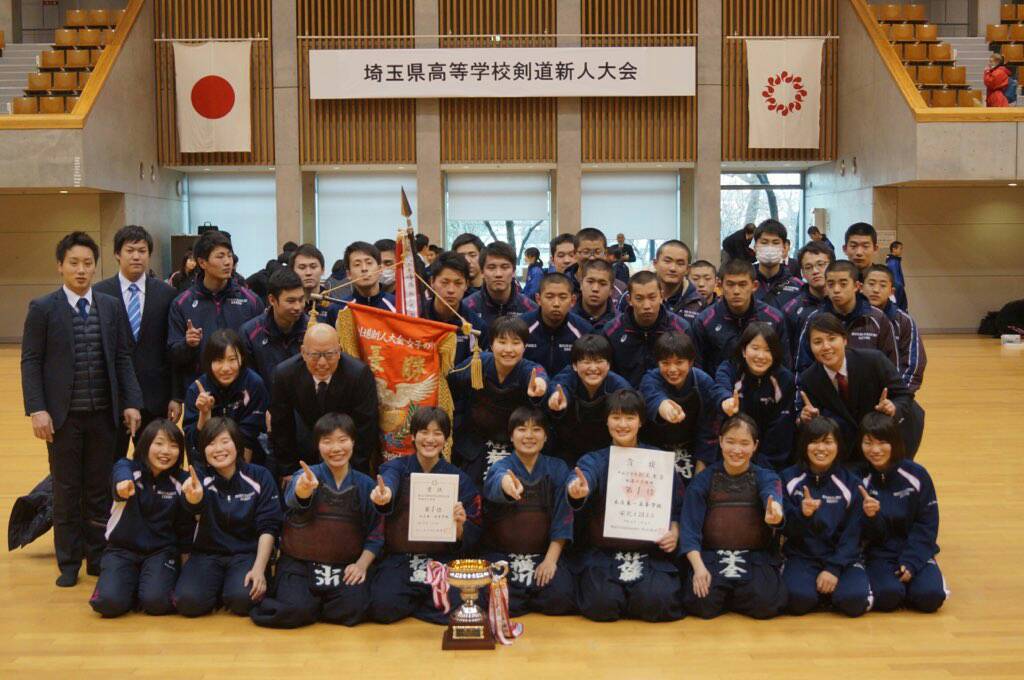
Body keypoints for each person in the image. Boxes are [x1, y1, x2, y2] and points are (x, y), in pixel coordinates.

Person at [21, 231, 143, 587]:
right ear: (60, 266)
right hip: (62, 418)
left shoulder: (110, 306)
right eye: (73, 263)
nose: (81, 270)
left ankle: (98, 555)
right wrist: (37, 409)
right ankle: (69, 561)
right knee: (66, 490)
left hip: (104, 415)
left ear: (95, 267)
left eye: (87, 263)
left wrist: (131, 402)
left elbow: (122, 357)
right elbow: (31, 361)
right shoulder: (43, 308)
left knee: (98, 490)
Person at [250, 413, 384, 628]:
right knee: (295, 610)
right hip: (301, 564)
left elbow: (376, 534)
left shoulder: (365, 484)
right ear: (318, 446)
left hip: (343, 565)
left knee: (354, 608)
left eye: (342, 440)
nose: (336, 448)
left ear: (353, 442)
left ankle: (313, 606)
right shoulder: (305, 476)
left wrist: (361, 565)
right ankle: (308, 604)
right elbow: (292, 498)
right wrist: (303, 491)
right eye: (327, 441)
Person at [568, 389, 684, 622]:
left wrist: (674, 530)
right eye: (616, 417)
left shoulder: (658, 460)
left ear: (640, 421)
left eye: (629, 418)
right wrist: (577, 490)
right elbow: (583, 477)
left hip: (649, 554)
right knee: (602, 604)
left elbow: (678, 507)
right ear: (607, 421)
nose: (622, 424)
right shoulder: (594, 460)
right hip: (604, 554)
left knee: (656, 601)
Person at [367, 407, 482, 624]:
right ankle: (421, 601)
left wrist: (460, 528)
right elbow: (389, 481)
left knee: (457, 607)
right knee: (382, 607)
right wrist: (386, 493)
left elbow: (474, 528)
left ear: (446, 439)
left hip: (440, 560)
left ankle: (415, 603)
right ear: (413, 436)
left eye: (437, 433)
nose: (430, 439)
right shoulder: (396, 468)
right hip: (401, 559)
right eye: (424, 432)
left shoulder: (459, 479)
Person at [679, 414, 788, 619]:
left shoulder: (766, 476)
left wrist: (775, 512)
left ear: (755, 446)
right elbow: (689, 529)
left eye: (744, 443)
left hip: (754, 556)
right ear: (720, 441)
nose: (737, 450)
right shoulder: (703, 480)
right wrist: (698, 568)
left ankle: (736, 594)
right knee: (702, 603)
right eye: (730, 441)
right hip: (713, 556)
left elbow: (772, 496)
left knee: (766, 604)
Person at [173, 417, 281, 617]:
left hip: (246, 554)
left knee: (244, 600)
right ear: (204, 451)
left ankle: (228, 588)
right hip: (206, 554)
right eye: (211, 444)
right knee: (188, 602)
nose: (219, 449)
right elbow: (187, 518)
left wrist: (259, 569)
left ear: (237, 444)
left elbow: (268, 527)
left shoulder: (260, 476)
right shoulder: (198, 479)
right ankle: (217, 589)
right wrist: (193, 500)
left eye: (225, 441)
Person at [89, 420, 194, 617]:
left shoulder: (183, 481)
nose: (166, 451)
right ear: (146, 444)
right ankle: (129, 586)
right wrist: (122, 485)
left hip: (161, 551)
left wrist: (186, 567)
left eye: (173, 446)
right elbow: (121, 473)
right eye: (159, 443)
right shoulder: (127, 469)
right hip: (122, 550)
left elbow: (185, 527)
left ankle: (143, 587)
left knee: (157, 603)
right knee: (108, 603)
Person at [481, 406, 576, 616]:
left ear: (546, 436)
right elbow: (497, 481)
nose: (529, 436)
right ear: (511, 436)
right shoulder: (500, 467)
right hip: (503, 556)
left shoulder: (558, 468)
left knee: (561, 597)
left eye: (537, 429)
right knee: (497, 601)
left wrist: (550, 560)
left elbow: (564, 517)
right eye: (522, 429)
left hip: (542, 555)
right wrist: (507, 485)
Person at [94, 225, 180, 454]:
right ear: (117, 254)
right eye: (130, 250)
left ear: (149, 254)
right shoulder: (99, 294)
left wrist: (176, 396)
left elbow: (172, 350)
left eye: (142, 251)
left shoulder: (167, 294)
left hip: (156, 397)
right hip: (112, 398)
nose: (136, 256)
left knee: (156, 462)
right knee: (111, 464)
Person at [797, 313, 924, 460]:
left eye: (832, 339)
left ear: (845, 340)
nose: (826, 347)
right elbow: (814, 423)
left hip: (881, 439)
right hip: (845, 447)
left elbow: (904, 395)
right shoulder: (809, 379)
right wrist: (805, 418)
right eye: (817, 342)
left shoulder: (874, 360)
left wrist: (893, 407)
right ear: (810, 346)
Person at [779, 416, 871, 617]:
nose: (821, 448)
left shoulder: (851, 483)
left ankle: (837, 590)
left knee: (854, 601)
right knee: (797, 600)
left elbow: (853, 533)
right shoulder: (788, 478)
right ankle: (820, 594)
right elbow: (784, 528)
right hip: (802, 556)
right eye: (814, 441)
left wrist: (834, 569)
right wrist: (802, 514)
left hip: (841, 558)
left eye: (828, 442)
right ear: (804, 445)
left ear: (838, 446)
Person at [859, 412, 946, 613]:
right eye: (868, 443)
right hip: (878, 554)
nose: (875, 450)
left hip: (914, 549)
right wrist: (871, 517)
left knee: (930, 597)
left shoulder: (917, 475)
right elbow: (864, 534)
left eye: (882, 443)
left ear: (895, 442)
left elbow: (927, 524)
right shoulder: (859, 479)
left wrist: (912, 561)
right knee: (888, 597)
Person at [269, 323, 380, 478]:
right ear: (303, 352)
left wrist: (352, 473)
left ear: (339, 351)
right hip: (305, 450)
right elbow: (281, 426)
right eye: (314, 355)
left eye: (329, 355)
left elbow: (365, 428)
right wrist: (288, 470)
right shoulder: (285, 374)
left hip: (348, 453)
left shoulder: (358, 374)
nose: (322, 363)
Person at [448, 315, 548, 486]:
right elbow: (449, 384)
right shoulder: (477, 364)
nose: (508, 349)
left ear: (524, 346)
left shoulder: (528, 369)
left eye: (515, 343)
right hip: (475, 443)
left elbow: (540, 376)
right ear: (491, 344)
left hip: (515, 446)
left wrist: (540, 385)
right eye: (502, 342)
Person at [167, 230, 265, 396]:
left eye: (229, 256)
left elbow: (261, 352)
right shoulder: (182, 303)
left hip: (243, 393)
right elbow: (173, 356)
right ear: (202, 262)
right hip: (200, 392)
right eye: (220, 256)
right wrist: (188, 344)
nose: (227, 262)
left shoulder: (251, 301)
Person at [639, 332, 724, 482]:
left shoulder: (704, 382)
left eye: (679, 362)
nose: (672, 369)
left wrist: (700, 471)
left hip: (691, 449)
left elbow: (709, 429)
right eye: (665, 363)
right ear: (658, 363)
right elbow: (654, 398)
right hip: (654, 449)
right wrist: (666, 409)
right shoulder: (649, 379)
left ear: (690, 362)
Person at [715, 323, 796, 472]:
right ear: (744, 350)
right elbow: (720, 387)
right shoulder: (730, 369)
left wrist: (764, 468)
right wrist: (726, 400)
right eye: (755, 348)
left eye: (768, 350)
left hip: (770, 461)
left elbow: (780, 430)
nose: (761, 356)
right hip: (731, 454)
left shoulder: (784, 379)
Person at [183, 329, 269, 466]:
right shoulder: (196, 390)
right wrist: (204, 414)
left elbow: (251, 435)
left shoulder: (254, 384)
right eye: (218, 361)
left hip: (248, 461)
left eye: (232, 359)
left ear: (242, 358)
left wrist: (239, 473)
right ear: (209, 362)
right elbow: (193, 442)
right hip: (207, 461)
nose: (226, 368)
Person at [795, 260, 898, 374]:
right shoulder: (814, 319)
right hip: (825, 384)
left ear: (856, 286)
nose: (836, 290)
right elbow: (803, 367)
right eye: (831, 284)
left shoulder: (877, 318)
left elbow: (891, 366)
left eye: (843, 284)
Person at [692, 258, 790, 377]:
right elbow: (698, 370)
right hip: (719, 386)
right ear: (720, 285)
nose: (736, 291)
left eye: (742, 284)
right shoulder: (705, 321)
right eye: (730, 284)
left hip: (763, 386)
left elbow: (783, 366)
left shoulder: (774, 318)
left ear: (754, 286)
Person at [546, 334, 631, 466]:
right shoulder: (568, 377)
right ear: (575, 365)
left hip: (606, 450)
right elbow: (560, 387)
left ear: (608, 365)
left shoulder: (619, 387)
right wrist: (556, 398)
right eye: (586, 362)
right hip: (568, 449)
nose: (593, 368)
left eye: (599, 361)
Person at [603, 271, 695, 387]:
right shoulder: (612, 330)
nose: (647, 305)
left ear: (661, 296)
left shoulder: (681, 329)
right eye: (639, 298)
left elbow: (692, 372)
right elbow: (607, 375)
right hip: (625, 395)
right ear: (629, 300)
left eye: (652, 297)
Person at [239, 267, 308, 390]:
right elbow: (248, 382)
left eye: (301, 299)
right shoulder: (250, 333)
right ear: (272, 300)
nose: (298, 307)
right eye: (291, 301)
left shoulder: (313, 330)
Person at [863, 265, 927, 393]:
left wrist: (898, 395)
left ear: (891, 291)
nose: (876, 290)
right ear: (860, 287)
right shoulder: (851, 317)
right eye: (871, 284)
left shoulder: (904, 321)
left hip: (893, 392)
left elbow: (913, 365)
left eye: (882, 285)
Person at [421, 251, 488, 365]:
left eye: (458, 283)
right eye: (444, 282)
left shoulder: (476, 326)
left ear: (466, 285)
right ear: (432, 282)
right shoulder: (417, 316)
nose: (451, 290)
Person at [522, 272, 595, 376]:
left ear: (572, 301)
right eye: (549, 297)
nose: (556, 303)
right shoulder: (522, 327)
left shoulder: (584, 331)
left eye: (562, 297)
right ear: (538, 299)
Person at [463, 241, 538, 326]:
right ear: (482, 272)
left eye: (504, 267)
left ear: (513, 271)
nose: (498, 274)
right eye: (491, 267)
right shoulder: (467, 308)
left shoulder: (531, 310)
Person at [782, 240, 835, 358]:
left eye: (821, 264)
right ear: (803, 273)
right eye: (808, 267)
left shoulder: (842, 303)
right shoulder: (791, 310)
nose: (815, 271)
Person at [324, 241, 396, 325]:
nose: (364, 269)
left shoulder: (396, 305)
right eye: (357, 264)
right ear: (349, 274)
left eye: (369, 263)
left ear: (379, 269)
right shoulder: (337, 309)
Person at [565, 227, 627, 306]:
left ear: (605, 253)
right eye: (586, 252)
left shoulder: (619, 288)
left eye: (597, 252)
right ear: (574, 253)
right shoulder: (562, 284)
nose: (592, 258)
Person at [752, 220, 803, 311]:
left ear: (784, 248)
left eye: (775, 243)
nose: (770, 248)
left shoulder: (798, 287)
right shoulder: (743, 284)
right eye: (764, 242)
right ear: (755, 247)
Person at [572, 258, 618, 331]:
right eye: (590, 282)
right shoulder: (566, 319)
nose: (595, 289)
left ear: (611, 290)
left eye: (602, 284)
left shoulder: (619, 323)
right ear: (581, 284)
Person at [289, 243, 330, 318]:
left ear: (323, 270)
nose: (308, 273)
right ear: (292, 271)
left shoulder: (334, 304)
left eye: (313, 267)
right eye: (302, 267)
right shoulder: (287, 306)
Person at [885, 240, 909, 312]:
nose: (901, 251)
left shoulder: (893, 261)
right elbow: (897, 281)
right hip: (897, 290)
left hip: (896, 289)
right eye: (900, 249)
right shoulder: (893, 263)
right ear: (894, 249)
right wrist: (900, 290)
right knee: (899, 310)